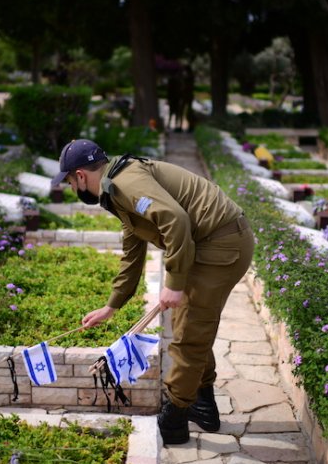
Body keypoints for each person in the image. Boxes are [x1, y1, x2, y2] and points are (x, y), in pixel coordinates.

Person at [51, 139, 255, 445]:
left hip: (221, 244)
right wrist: (112, 305)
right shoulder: (116, 187)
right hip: (212, 243)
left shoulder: (126, 182)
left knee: (188, 335)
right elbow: (132, 252)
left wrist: (174, 283)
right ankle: (203, 406)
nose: (71, 189)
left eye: (69, 182)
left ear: (80, 176)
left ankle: (173, 419)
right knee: (189, 327)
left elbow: (176, 220)